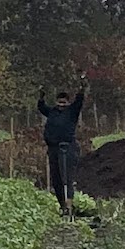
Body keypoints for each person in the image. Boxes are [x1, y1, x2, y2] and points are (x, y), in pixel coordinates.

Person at [37, 80, 88, 213]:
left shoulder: (72, 111)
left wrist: (82, 88)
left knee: (67, 177)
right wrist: (41, 97)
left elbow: (79, 101)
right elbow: (42, 108)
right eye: (59, 102)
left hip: (67, 147)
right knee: (56, 178)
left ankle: (69, 204)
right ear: (56, 102)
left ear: (67, 102)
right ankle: (62, 205)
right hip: (53, 148)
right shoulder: (52, 112)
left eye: (64, 103)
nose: (61, 105)